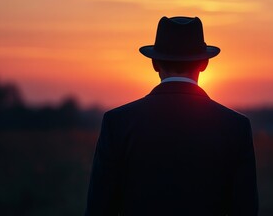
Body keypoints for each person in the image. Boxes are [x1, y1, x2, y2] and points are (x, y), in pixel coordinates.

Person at [85, 16, 258, 216]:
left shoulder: (117, 123)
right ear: (204, 64)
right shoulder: (236, 127)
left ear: (154, 63)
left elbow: (98, 209)